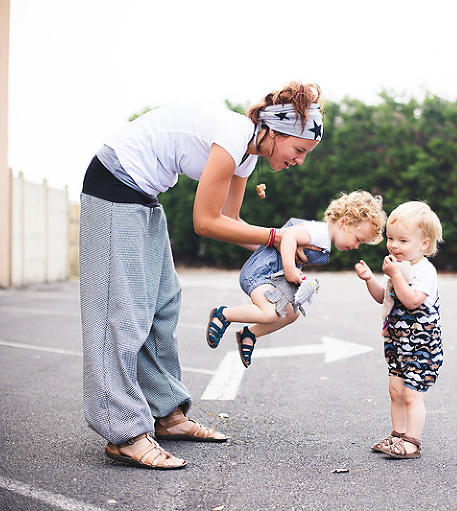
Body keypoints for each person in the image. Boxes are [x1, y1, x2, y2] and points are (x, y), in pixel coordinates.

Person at [79, 82, 325, 470]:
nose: (300, 160)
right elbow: (205, 223)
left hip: (143, 195)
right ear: (275, 133)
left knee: (164, 304)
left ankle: (167, 415)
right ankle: (123, 433)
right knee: (121, 310)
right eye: (298, 150)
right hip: (114, 183)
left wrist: (282, 252)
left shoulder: (246, 157)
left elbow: (231, 223)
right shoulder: (233, 136)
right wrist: (280, 237)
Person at [206, 191, 386, 367]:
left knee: (292, 313)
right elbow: (288, 236)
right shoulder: (319, 232)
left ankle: (249, 334)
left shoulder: (323, 238)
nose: (356, 246)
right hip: (261, 273)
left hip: (272, 277)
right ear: (344, 222)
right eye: (358, 239)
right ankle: (223, 314)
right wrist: (291, 269)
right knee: (269, 313)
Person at [354, 201, 443, 459]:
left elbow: (412, 300)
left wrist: (396, 275)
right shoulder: (397, 266)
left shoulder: (425, 270)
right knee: (395, 390)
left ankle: (412, 442)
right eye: (390, 238)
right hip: (397, 341)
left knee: (411, 393)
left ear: (423, 244)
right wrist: (371, 279)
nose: (393, 245)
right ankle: (397, 435)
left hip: (421, 344)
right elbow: (385, 297)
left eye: (403, 241)